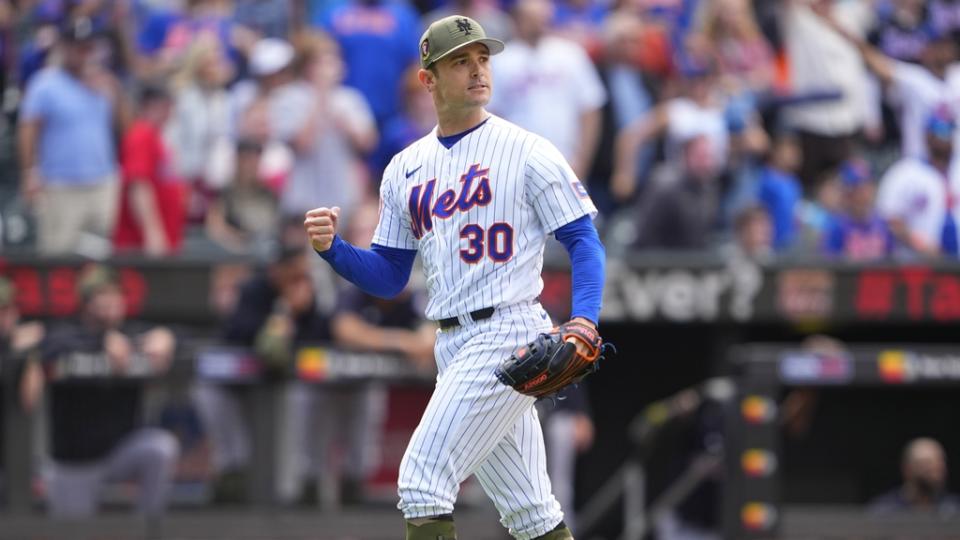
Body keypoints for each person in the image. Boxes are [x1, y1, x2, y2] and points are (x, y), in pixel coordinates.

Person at [304, 15, 605, 540]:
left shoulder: (527, 149)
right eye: (460, 61)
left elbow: (583, 240)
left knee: (422, 481)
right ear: (428, 79)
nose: (477, 70)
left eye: (483, 58)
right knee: (531, 511)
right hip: (450, 341)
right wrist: (334, 250)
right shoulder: (404, 167)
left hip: (507, 331)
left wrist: (584, 318)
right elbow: (389, 276)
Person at [25, 265, 179, 517]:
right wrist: (100, 341)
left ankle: (147, 529)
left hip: (119, 453)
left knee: (160, 448)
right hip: (74, 463)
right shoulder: (67, 332)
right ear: (86, 302)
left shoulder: (131, 332)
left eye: (114, 294)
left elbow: (183, 337)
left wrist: (167, 337)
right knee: (73, 533)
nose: (110, 302)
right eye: (101, 295)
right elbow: (52, 345)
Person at [192, 245, 331, 503]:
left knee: (306, 397)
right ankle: (231, 474)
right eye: (294, 273)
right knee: (207, 391)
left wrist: (299, 310)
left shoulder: (308, 297)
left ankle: (307, 483)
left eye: (304, 274)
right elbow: (241, 333)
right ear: (277, 270)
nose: (300, 280)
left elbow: (321, 339)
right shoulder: (255, 289)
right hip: (239, 381)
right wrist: (281, 315)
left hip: (287, 384)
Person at [18, 16, 127, 255]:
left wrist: (114, 90)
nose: (83, 53)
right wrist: (29, 173)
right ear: (64, 47)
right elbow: (28, 131)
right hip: (60, 184)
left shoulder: (104, 83)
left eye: (87, 47)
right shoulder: (45, 83)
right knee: (58, 255)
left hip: (101, 182)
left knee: (101, 257)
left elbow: (124, 128)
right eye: (77, 46)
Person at [489, 0, 607, 181]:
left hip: (568, 161)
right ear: (517, 19)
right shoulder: (500, 61)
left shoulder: (570, 53)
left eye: (542, 16)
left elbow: (590, 109)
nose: (538, 22)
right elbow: (493, 115)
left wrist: (583, 161)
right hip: (518, 165)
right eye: (531, 17)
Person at [113, 85, 188, 257]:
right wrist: (152, 232)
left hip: (162, 242)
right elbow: (138, 185)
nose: (169, 113)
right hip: (141, 246)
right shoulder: (141, 135)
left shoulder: (155, 136)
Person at [877, 106, 960, 258]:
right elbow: (890, 219)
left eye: (949, 131)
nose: (945, 138)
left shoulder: (957, 171)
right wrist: (920, 244)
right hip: (918, 264)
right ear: (927, 135)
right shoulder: (905, 172)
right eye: (940, 131)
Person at [823, 159, 895, 261]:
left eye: (866, 187)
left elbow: (892, 262)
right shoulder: (836, 225)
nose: (863, 194)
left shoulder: (883, 224)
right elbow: (828, 265)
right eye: (856, 188)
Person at [869, 437, 960, 516]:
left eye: (939, 463)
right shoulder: (884, 511)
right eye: (927, 463)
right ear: (907, 468)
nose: (935, 469)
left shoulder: (954, 509)